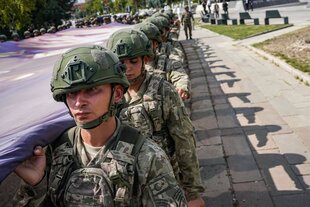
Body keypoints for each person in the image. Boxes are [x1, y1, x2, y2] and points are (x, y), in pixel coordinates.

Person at [12, 45, 188, 206]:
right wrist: (37, 185)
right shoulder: (54, 151)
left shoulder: (147, 157)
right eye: (71, 93)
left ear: (117, 94)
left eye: (91, 90)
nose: (79, 102)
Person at [107, 28, 205, 207]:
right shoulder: (110, 95)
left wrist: (192, 191)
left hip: (163, 179)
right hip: (126, 182)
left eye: (133, 61)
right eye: (121, 63)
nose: (127, 68)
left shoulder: (163, 90)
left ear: (145, 59)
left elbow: (184, 140)